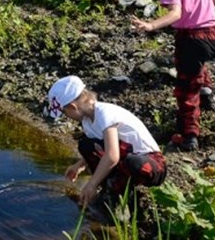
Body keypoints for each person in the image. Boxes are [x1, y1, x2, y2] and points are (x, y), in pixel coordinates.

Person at [129, 0, 215, 151]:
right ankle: (207, 93)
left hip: (192, 39)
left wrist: (151, 25)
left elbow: (176, 14)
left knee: (186, 89)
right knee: (198, 64)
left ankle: (189, 134)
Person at [45, 75, 167, 206]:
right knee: (86, 145)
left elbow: (112, 156)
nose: (67, 116)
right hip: (124, 159)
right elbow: (101, 148)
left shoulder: (104, 113)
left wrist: (91, 184)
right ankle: (110, 185)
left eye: (64, 112)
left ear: (73, 107)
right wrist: (78, 166)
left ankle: (118, 191)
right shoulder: (87, 122)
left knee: (134, 163)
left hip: (151, 164)